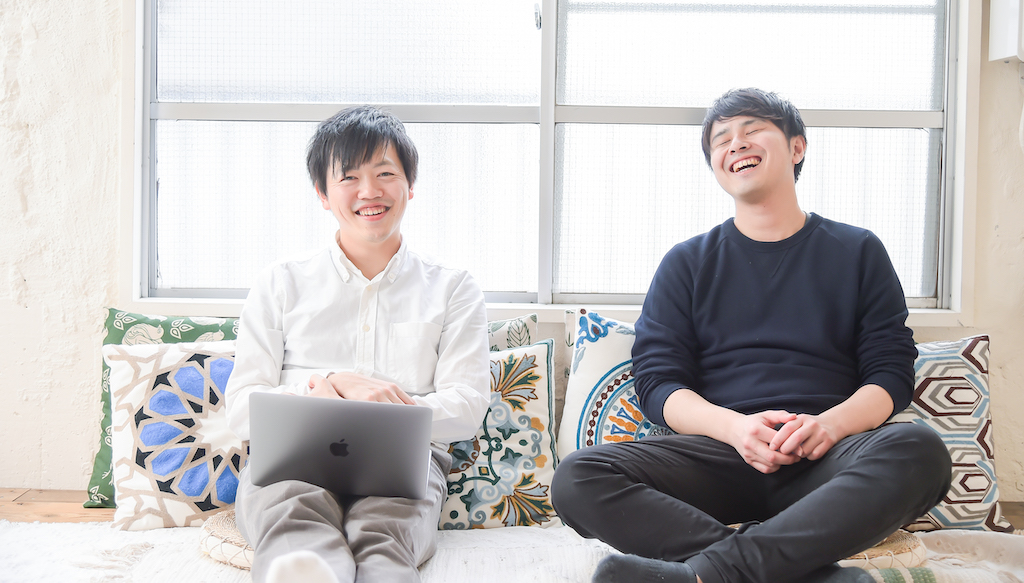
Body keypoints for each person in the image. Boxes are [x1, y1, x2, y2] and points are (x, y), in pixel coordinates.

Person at [551, 88, 952, 583]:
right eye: (721, 139)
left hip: (827, 458)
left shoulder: (858, 250)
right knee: (578, 476)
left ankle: (708, 574)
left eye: (753, 129)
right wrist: (737, 430)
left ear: (797, 147)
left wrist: (828, 427)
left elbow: (890, 373)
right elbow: (657, 383)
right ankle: (802, 575)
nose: (736, 143)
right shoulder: (686, 263)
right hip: (720, 455)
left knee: (919, 450)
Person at [225, 106, 490, 583]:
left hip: (403, 461)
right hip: (291, 457)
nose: (369, 191)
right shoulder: (280, 283)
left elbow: (468, 405)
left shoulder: (453, 287)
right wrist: (329, 386)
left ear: (410, 185)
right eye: (349, 177)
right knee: (291, 519)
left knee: (385, 536)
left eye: (385, 173)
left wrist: (383, 409)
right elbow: (242, 409)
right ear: (322, 193)